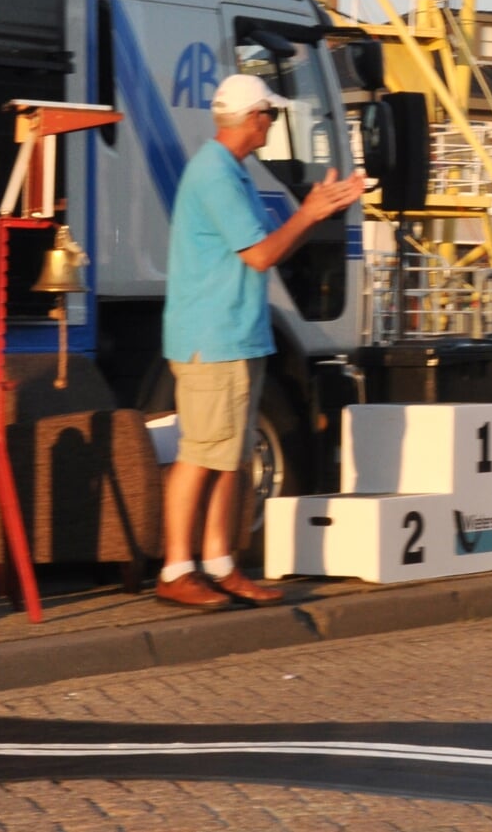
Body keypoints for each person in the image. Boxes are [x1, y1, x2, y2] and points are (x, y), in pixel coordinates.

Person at [156, 73, 366, 610]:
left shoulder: (229, 169)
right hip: (215, 339)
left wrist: (315, 210)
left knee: (227, 456)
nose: (272, 122)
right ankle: (177, 568)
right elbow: (261, 254)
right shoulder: (217, 174)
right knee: (202, 455)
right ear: (254, 119)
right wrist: (310, 212)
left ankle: (221, 563)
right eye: (269, 114)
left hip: (233, 337)